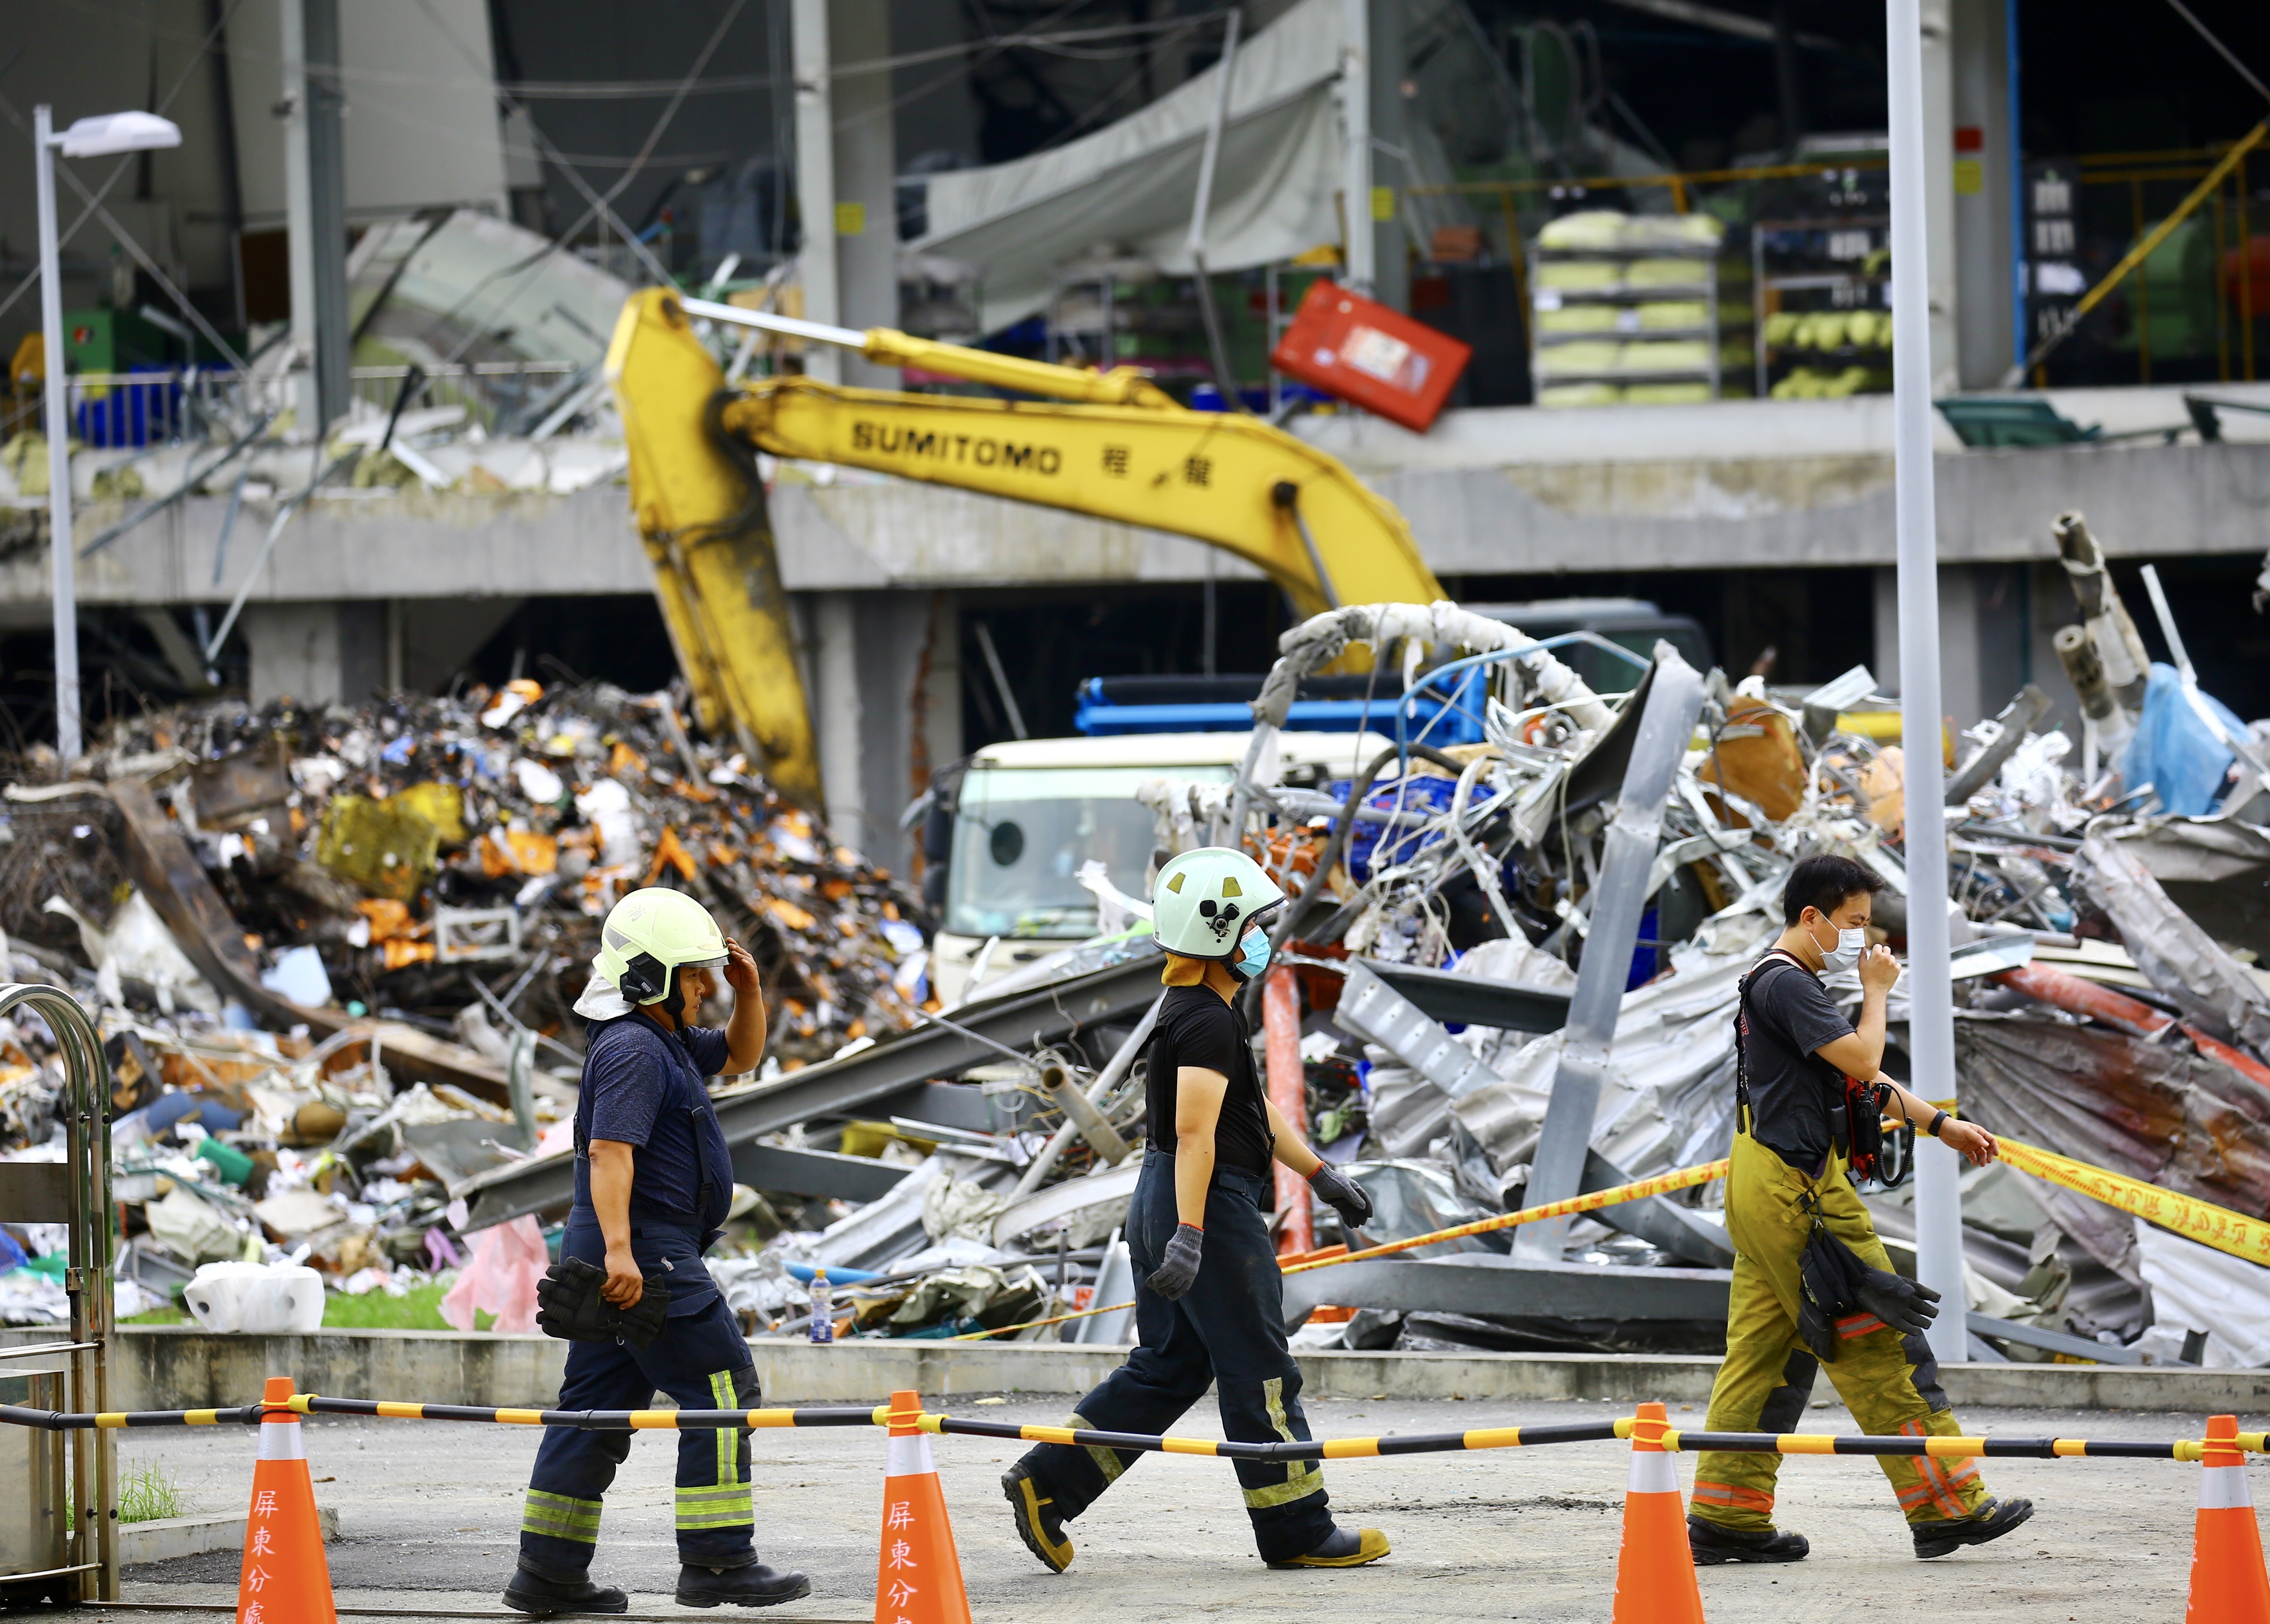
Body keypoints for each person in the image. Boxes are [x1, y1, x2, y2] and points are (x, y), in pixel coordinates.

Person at [1002, 847, 1390, 1573]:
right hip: (1204, 1202)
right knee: (1261, 1368)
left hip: (1163, 1194)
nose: (1261, 938)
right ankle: (1298, 1528)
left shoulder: (1199, 1009)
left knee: (1169, 1367)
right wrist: (1192, 1231)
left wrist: (1322, 1174)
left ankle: (1046, 1485)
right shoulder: (1206, 1021)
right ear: (1219, 935)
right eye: (1253, 924)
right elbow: (1194, 1133)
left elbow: (1251, 1110)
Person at [1688, 853, 2035, 1566]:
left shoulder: (1786, 987)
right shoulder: (1786, 981)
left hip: (1766, 1183)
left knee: (1764, 1354)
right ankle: (1945, 1506)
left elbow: (1862, 1086)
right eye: (1851, 924)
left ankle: (1726, 1516)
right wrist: (1877, 991)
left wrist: (1943, 1126)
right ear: (1810, 917)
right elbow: (1863, 1058)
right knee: (1876, 1336)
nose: (1861, 940)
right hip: (1799, 1194)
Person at [505, 887, 809, 1615]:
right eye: (694, 975)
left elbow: (741, 1053)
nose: (704, 985)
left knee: (597, 1406)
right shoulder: (637, 1049)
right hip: (645, 1249)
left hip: (632, 1247)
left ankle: (548, 1575)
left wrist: (749, 991)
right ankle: (717, 1562)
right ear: (651, 979)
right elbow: (610, 1152)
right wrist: (622, 1253)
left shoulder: (660, 1038)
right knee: (724, 1386)